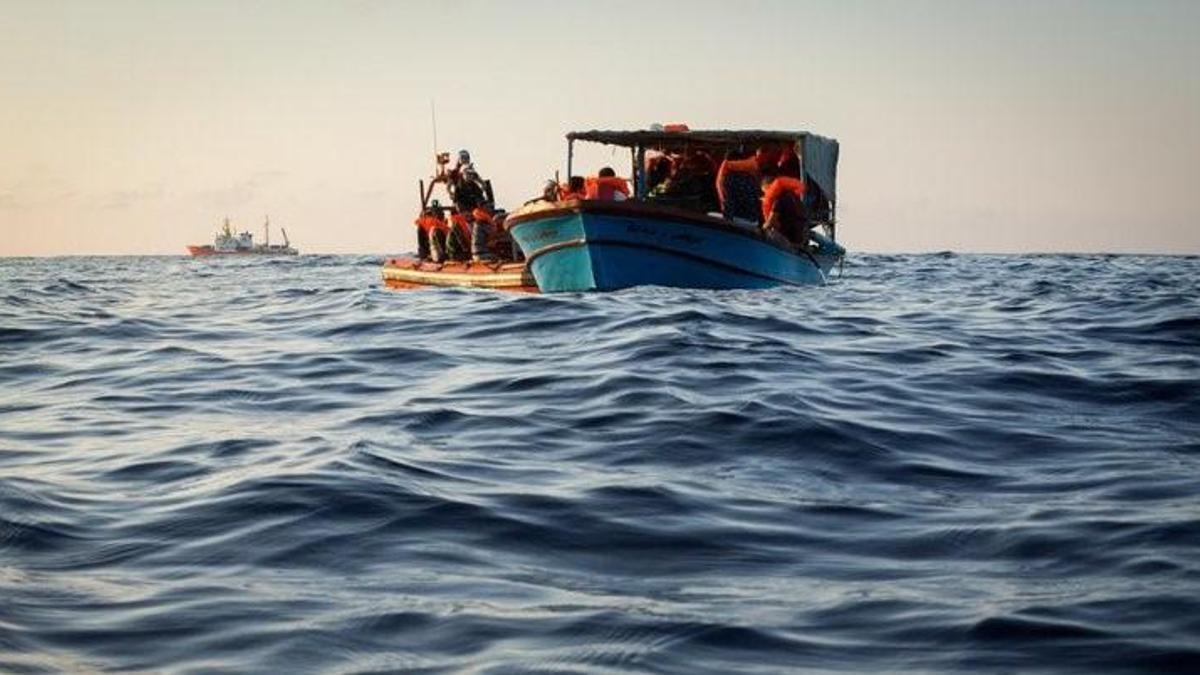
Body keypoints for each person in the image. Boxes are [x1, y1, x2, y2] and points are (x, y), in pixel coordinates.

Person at [760, 169, 810, 250]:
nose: (766, 196)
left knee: (768, 234)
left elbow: (770, 223)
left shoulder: (779, 201)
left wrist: (760, 230)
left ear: (770, 187)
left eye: (766, 192)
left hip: (790, 240)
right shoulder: (793, 197)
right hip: (801, 237)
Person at [716, 148, 760, 223]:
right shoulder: (749, 178)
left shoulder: (724, 178)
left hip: (732, 217)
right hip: (749, 219)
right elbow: (756, 197)